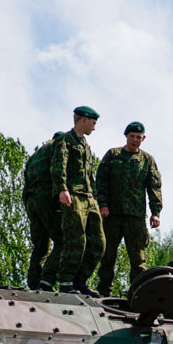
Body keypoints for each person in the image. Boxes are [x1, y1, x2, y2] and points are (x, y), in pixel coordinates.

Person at [94, 121, 163, 297]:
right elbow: (101, 181)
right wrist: (102, 203)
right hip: (112, 215)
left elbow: (154, 187)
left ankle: (139, 294)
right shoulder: (113, 155)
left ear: (143, 138)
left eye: (138, 137)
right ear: (126, 136)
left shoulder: (147, 160)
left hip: (135, 216)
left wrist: (156, 213)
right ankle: (104, 291)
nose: (135, 140)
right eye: (132, 136)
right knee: (107, 255)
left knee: (138, 259)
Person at [51, 105, 105, 296]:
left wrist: (96, 199)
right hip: (72, 195)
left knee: (99, 242)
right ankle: (66, 282)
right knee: (76, 239)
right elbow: (59, 166)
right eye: (93, 122)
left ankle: (81, 281)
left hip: (89, 198)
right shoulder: (66, 140)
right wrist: (62, 189)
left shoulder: (86, 145)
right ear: (84, 119)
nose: (94, 127)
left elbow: (90, 175)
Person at [23, 130, 68, 290]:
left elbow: (26, 182)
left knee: (40, 246)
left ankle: (34, 283)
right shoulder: (57, 148)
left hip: (31, 201)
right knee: (63, 240)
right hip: (47, 199)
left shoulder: (34, 157)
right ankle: (46, 280)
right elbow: (59, 173)